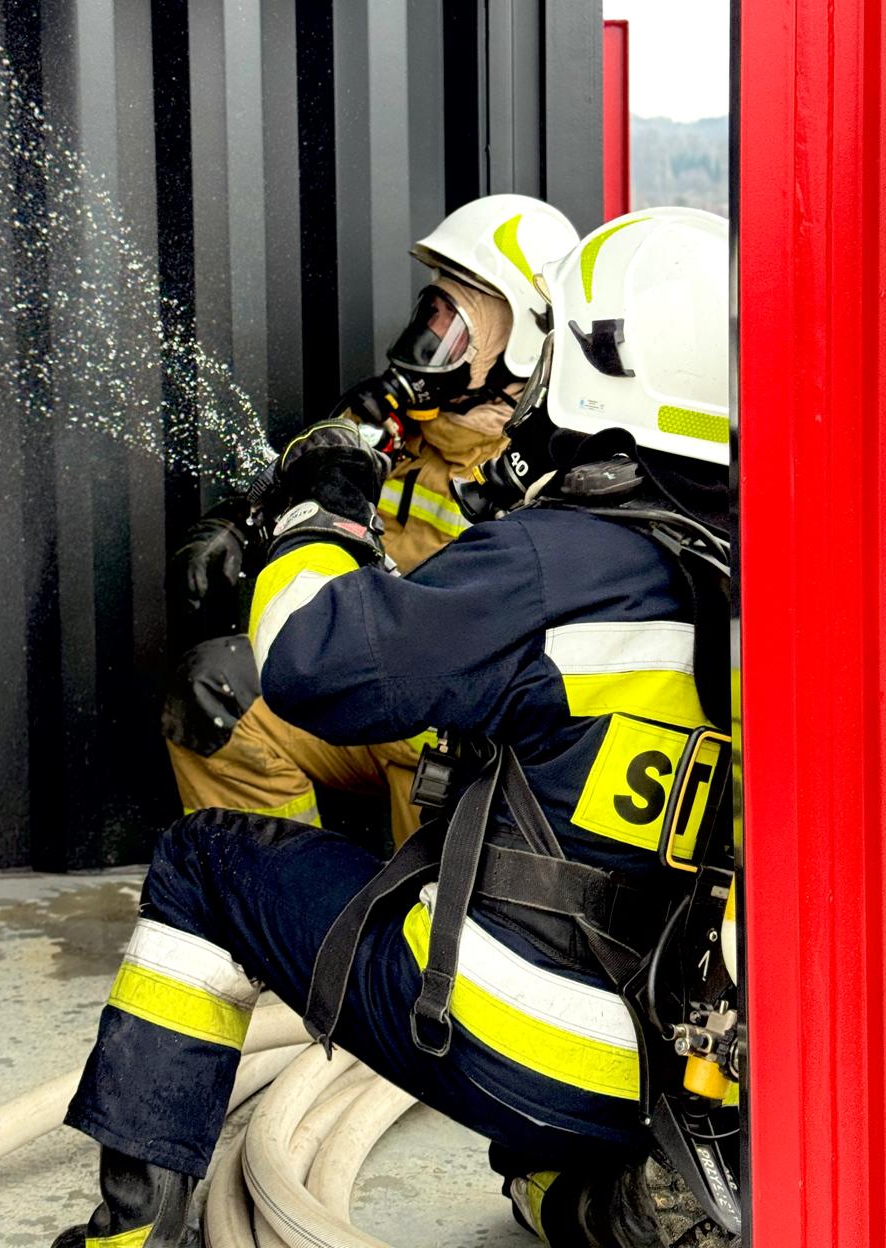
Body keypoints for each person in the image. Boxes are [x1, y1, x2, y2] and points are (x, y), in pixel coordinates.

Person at [50, 207, 737, 1248]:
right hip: (675, 1065)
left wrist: (322, 517)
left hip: (518, 1040)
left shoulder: (558, 556)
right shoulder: (752, 560)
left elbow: (311, 659)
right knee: (542, 1156)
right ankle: (604, 1206)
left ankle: (129, 1239)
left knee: (201, 865)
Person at [162, 194, 580, 846]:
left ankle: (430, 901)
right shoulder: (393, 430)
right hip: (370, 690)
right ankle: (280, 891)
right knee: (214, 697)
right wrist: (239, 522)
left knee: (448, 815)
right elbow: (306, 487)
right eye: (430, 312)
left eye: (452, 325)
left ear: (524, 344)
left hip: (466, 728)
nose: (427, 341)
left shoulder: (546, 468)